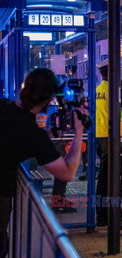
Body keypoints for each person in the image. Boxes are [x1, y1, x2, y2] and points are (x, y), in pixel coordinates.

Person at [0, 68, 87, 258]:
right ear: (49, 99)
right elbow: (67, 173)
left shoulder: (4, 107)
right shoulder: (31, 133)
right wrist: (79, 132)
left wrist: (48, 135)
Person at [95, 60, 122, 229]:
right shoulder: (116, 91)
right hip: (114, 136)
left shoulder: (97, 90)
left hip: (100, 135)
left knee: (103, 178)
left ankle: (101, 215)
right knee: (115, 179)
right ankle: (115, 217)